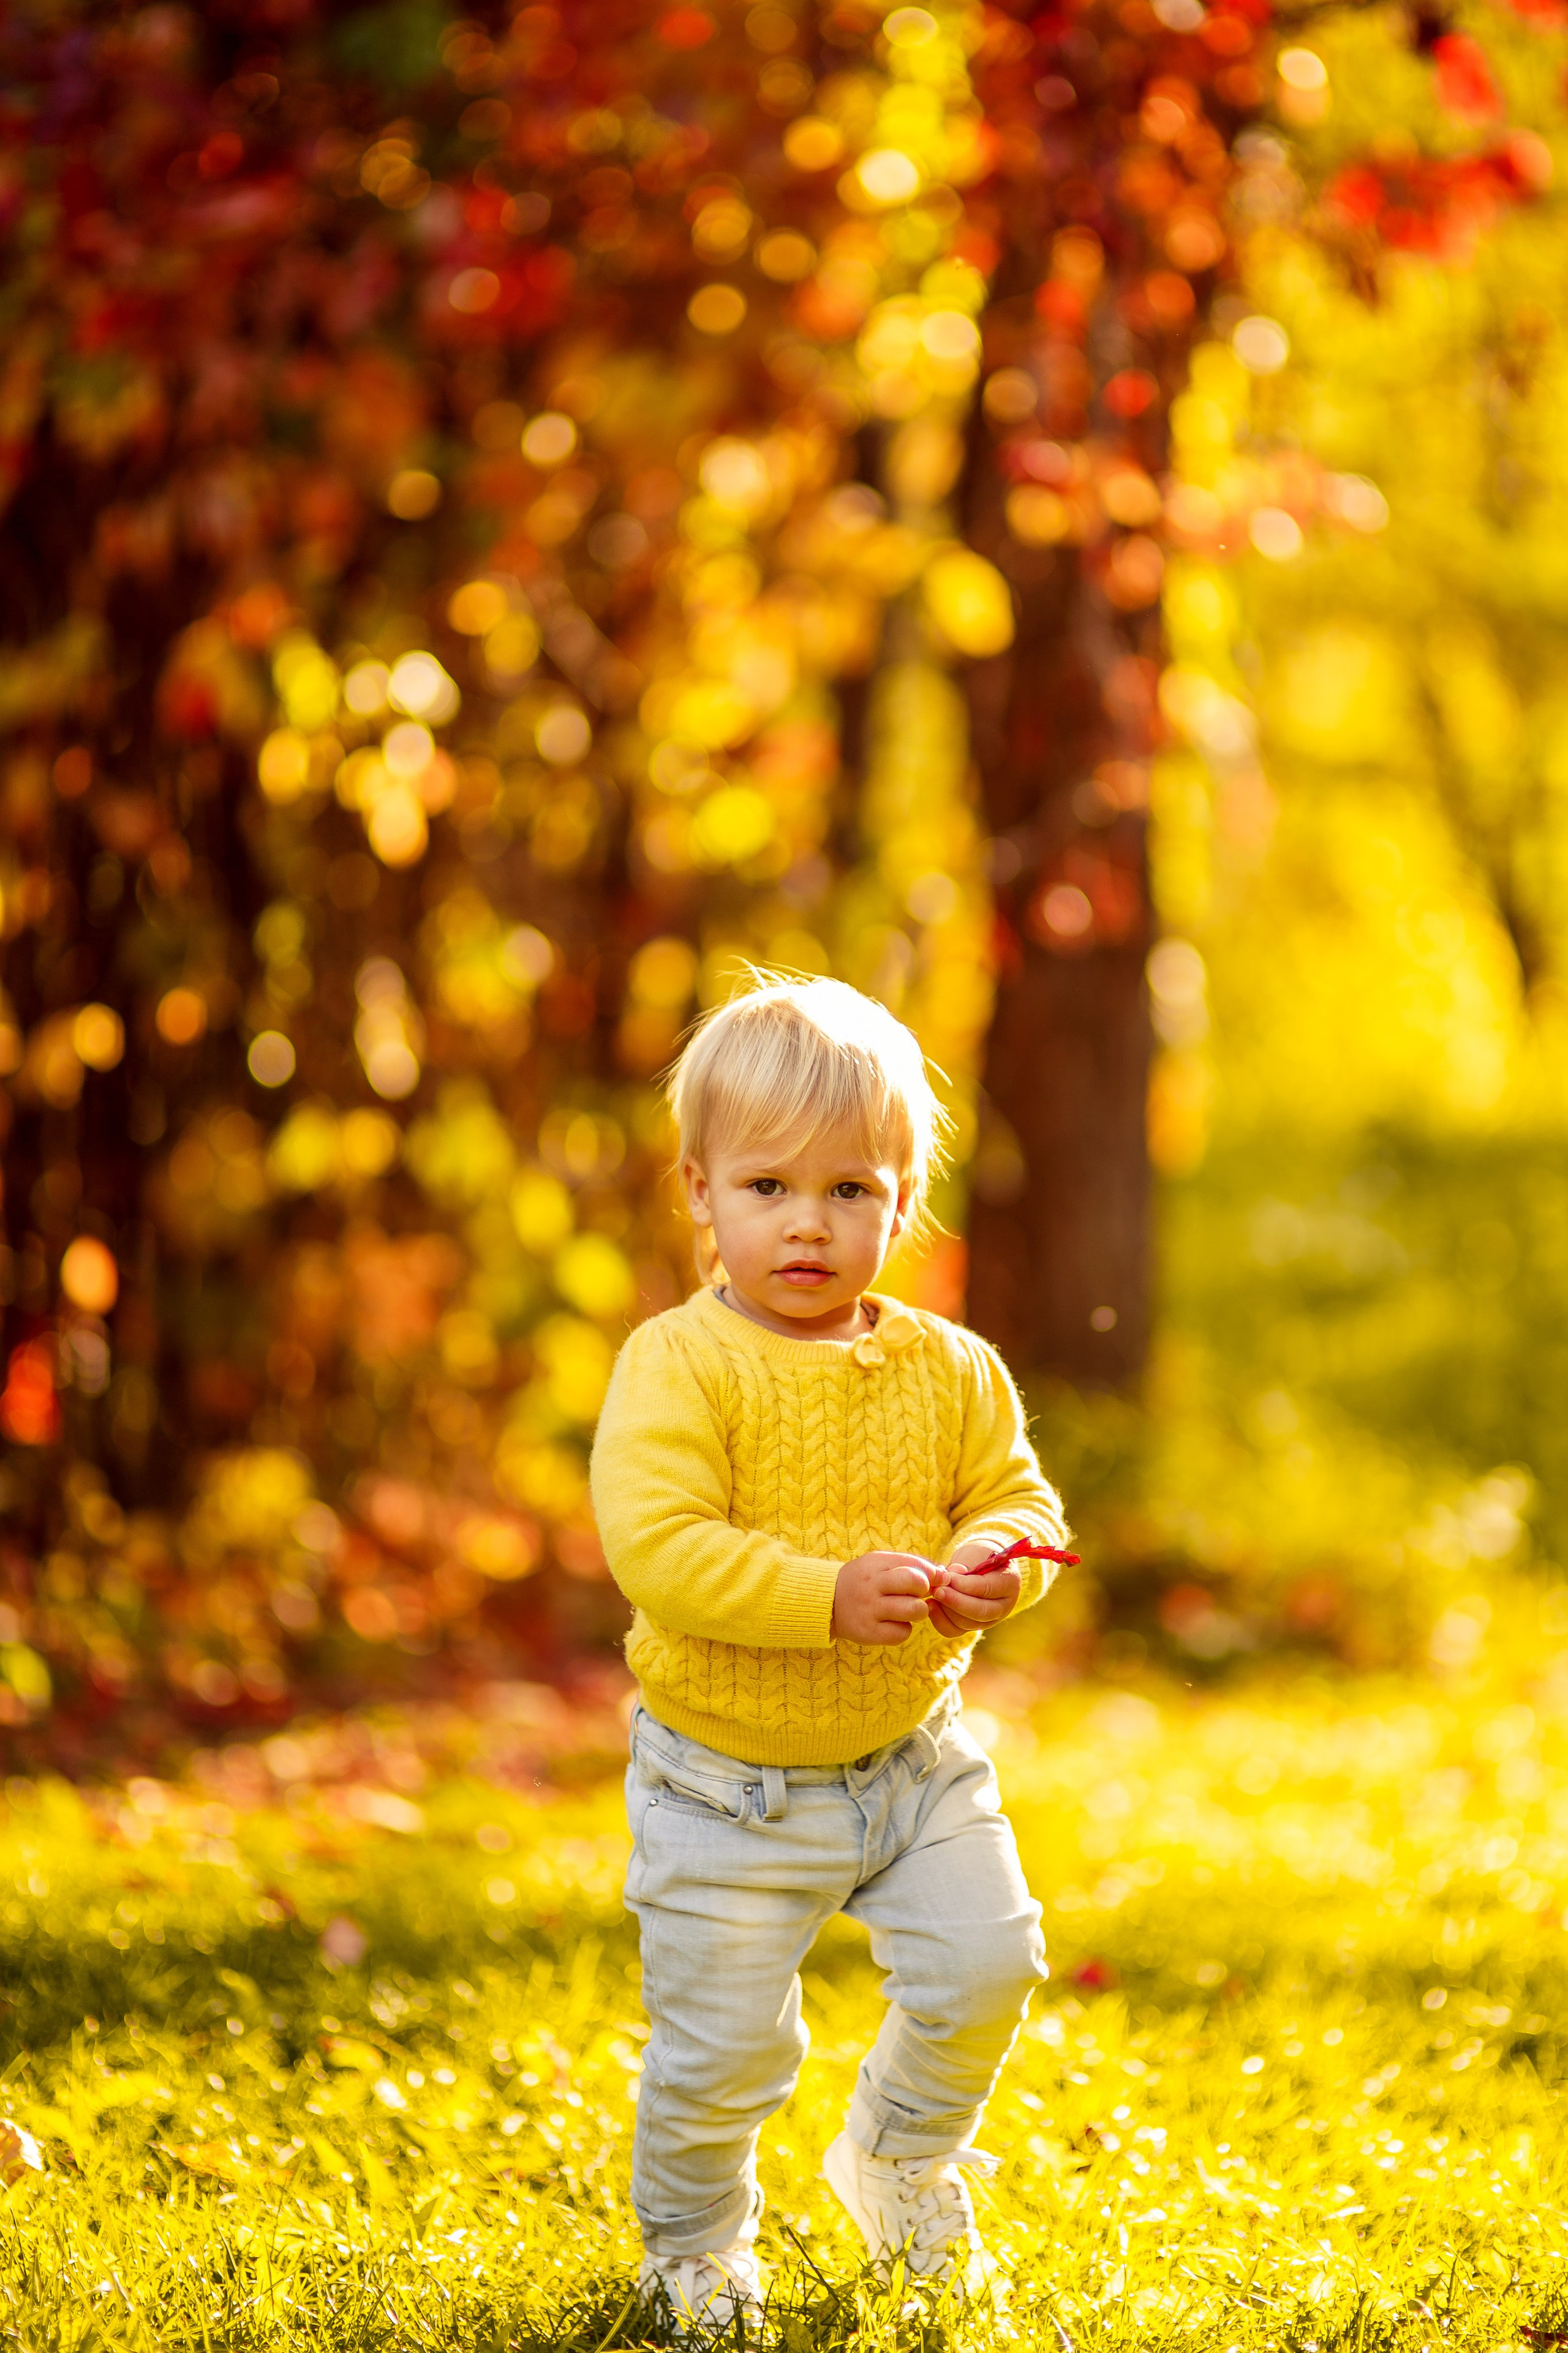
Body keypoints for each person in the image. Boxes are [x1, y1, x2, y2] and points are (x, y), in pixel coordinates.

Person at [589, 973, 1071, 2332]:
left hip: (912, 1761)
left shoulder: (954, 1369)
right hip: (723, 1783)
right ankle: (692, 2247)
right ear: (699, 1194)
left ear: (902, 1202)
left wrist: (997, 1573)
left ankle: (901, 2156)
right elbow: (661, 1550)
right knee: (723, 2052)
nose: (808, 1221)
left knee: (990, 1961)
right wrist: (821, 1592)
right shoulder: (679, 1367)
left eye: (850, 1190)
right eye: (767, 1187)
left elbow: (1017, 1504)